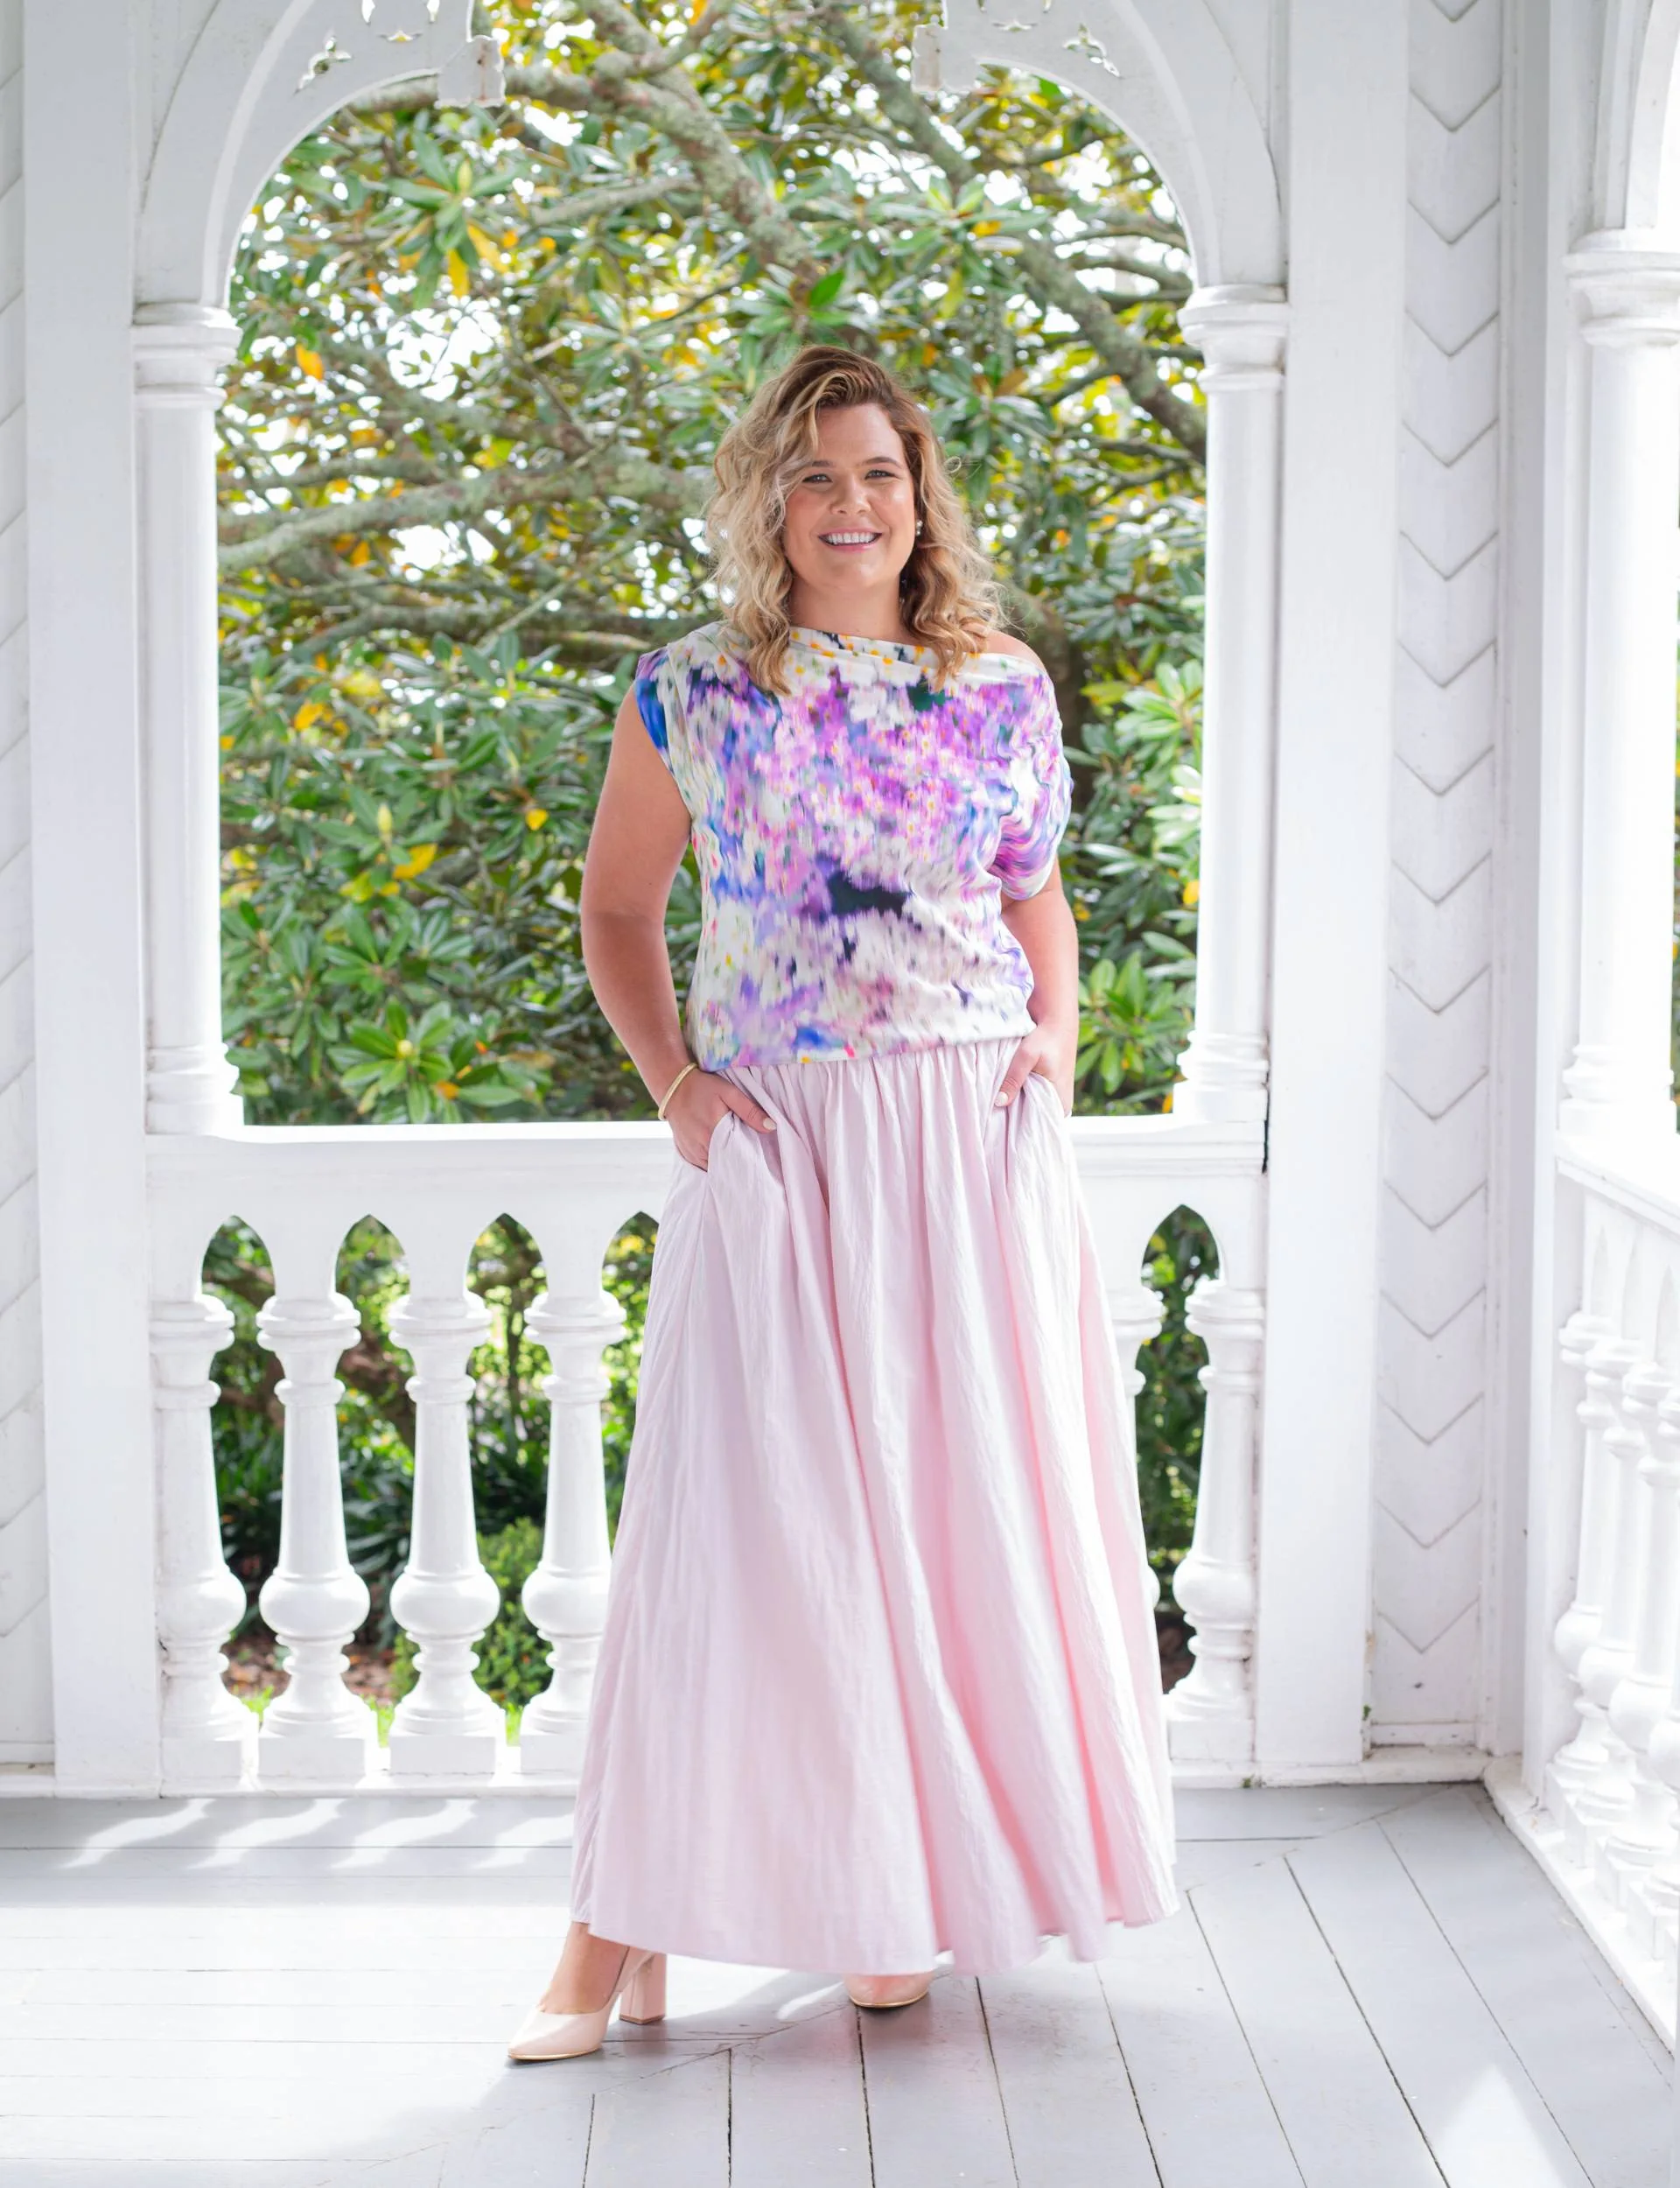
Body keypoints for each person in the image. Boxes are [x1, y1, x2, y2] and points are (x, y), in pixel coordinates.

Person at [508, 345, 1177, 2064]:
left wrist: (1052, 1050)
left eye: (879, 471)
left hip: (970, 1145)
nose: (851, 504)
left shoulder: (1000, 685)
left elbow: (1037, 902)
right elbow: (615, 910)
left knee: (953, 1526)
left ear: (918, 493)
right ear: (768, 500)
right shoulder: (696, 689)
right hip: (787, 1143)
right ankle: (610, 1931)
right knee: (738, 1531)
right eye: (814, 475)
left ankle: (895, 1902)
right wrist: (676, 1086)